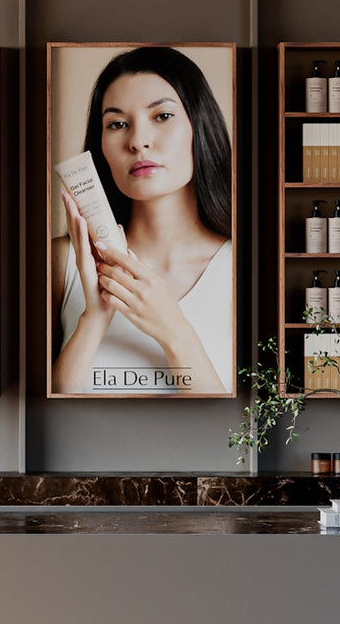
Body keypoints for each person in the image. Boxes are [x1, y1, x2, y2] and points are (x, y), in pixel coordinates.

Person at [52, 47, 233, 394]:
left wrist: (170, 326)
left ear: (199, 125)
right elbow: (39, 416)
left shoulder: (247, 271)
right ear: (100, 146)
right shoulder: (62, 264)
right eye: (117, 124)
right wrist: (94, 318)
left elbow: (238, 433)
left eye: (162, 116)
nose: (138, 141)